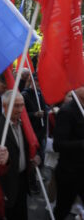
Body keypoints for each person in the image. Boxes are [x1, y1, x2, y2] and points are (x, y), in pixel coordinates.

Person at [0, 90, 40, 220]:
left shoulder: (24, 124)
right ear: (5, 106)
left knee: (22, 214)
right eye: (16, 105)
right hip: (7, 184)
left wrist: (36, 157)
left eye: (22, 105)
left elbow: (29, 146)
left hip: (23, 179)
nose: (21, 109)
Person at [53, 86, 84, 220]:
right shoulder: (67, 111)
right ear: (76, 89)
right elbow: (58, 145)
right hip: (70, 173)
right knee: (63, 208)